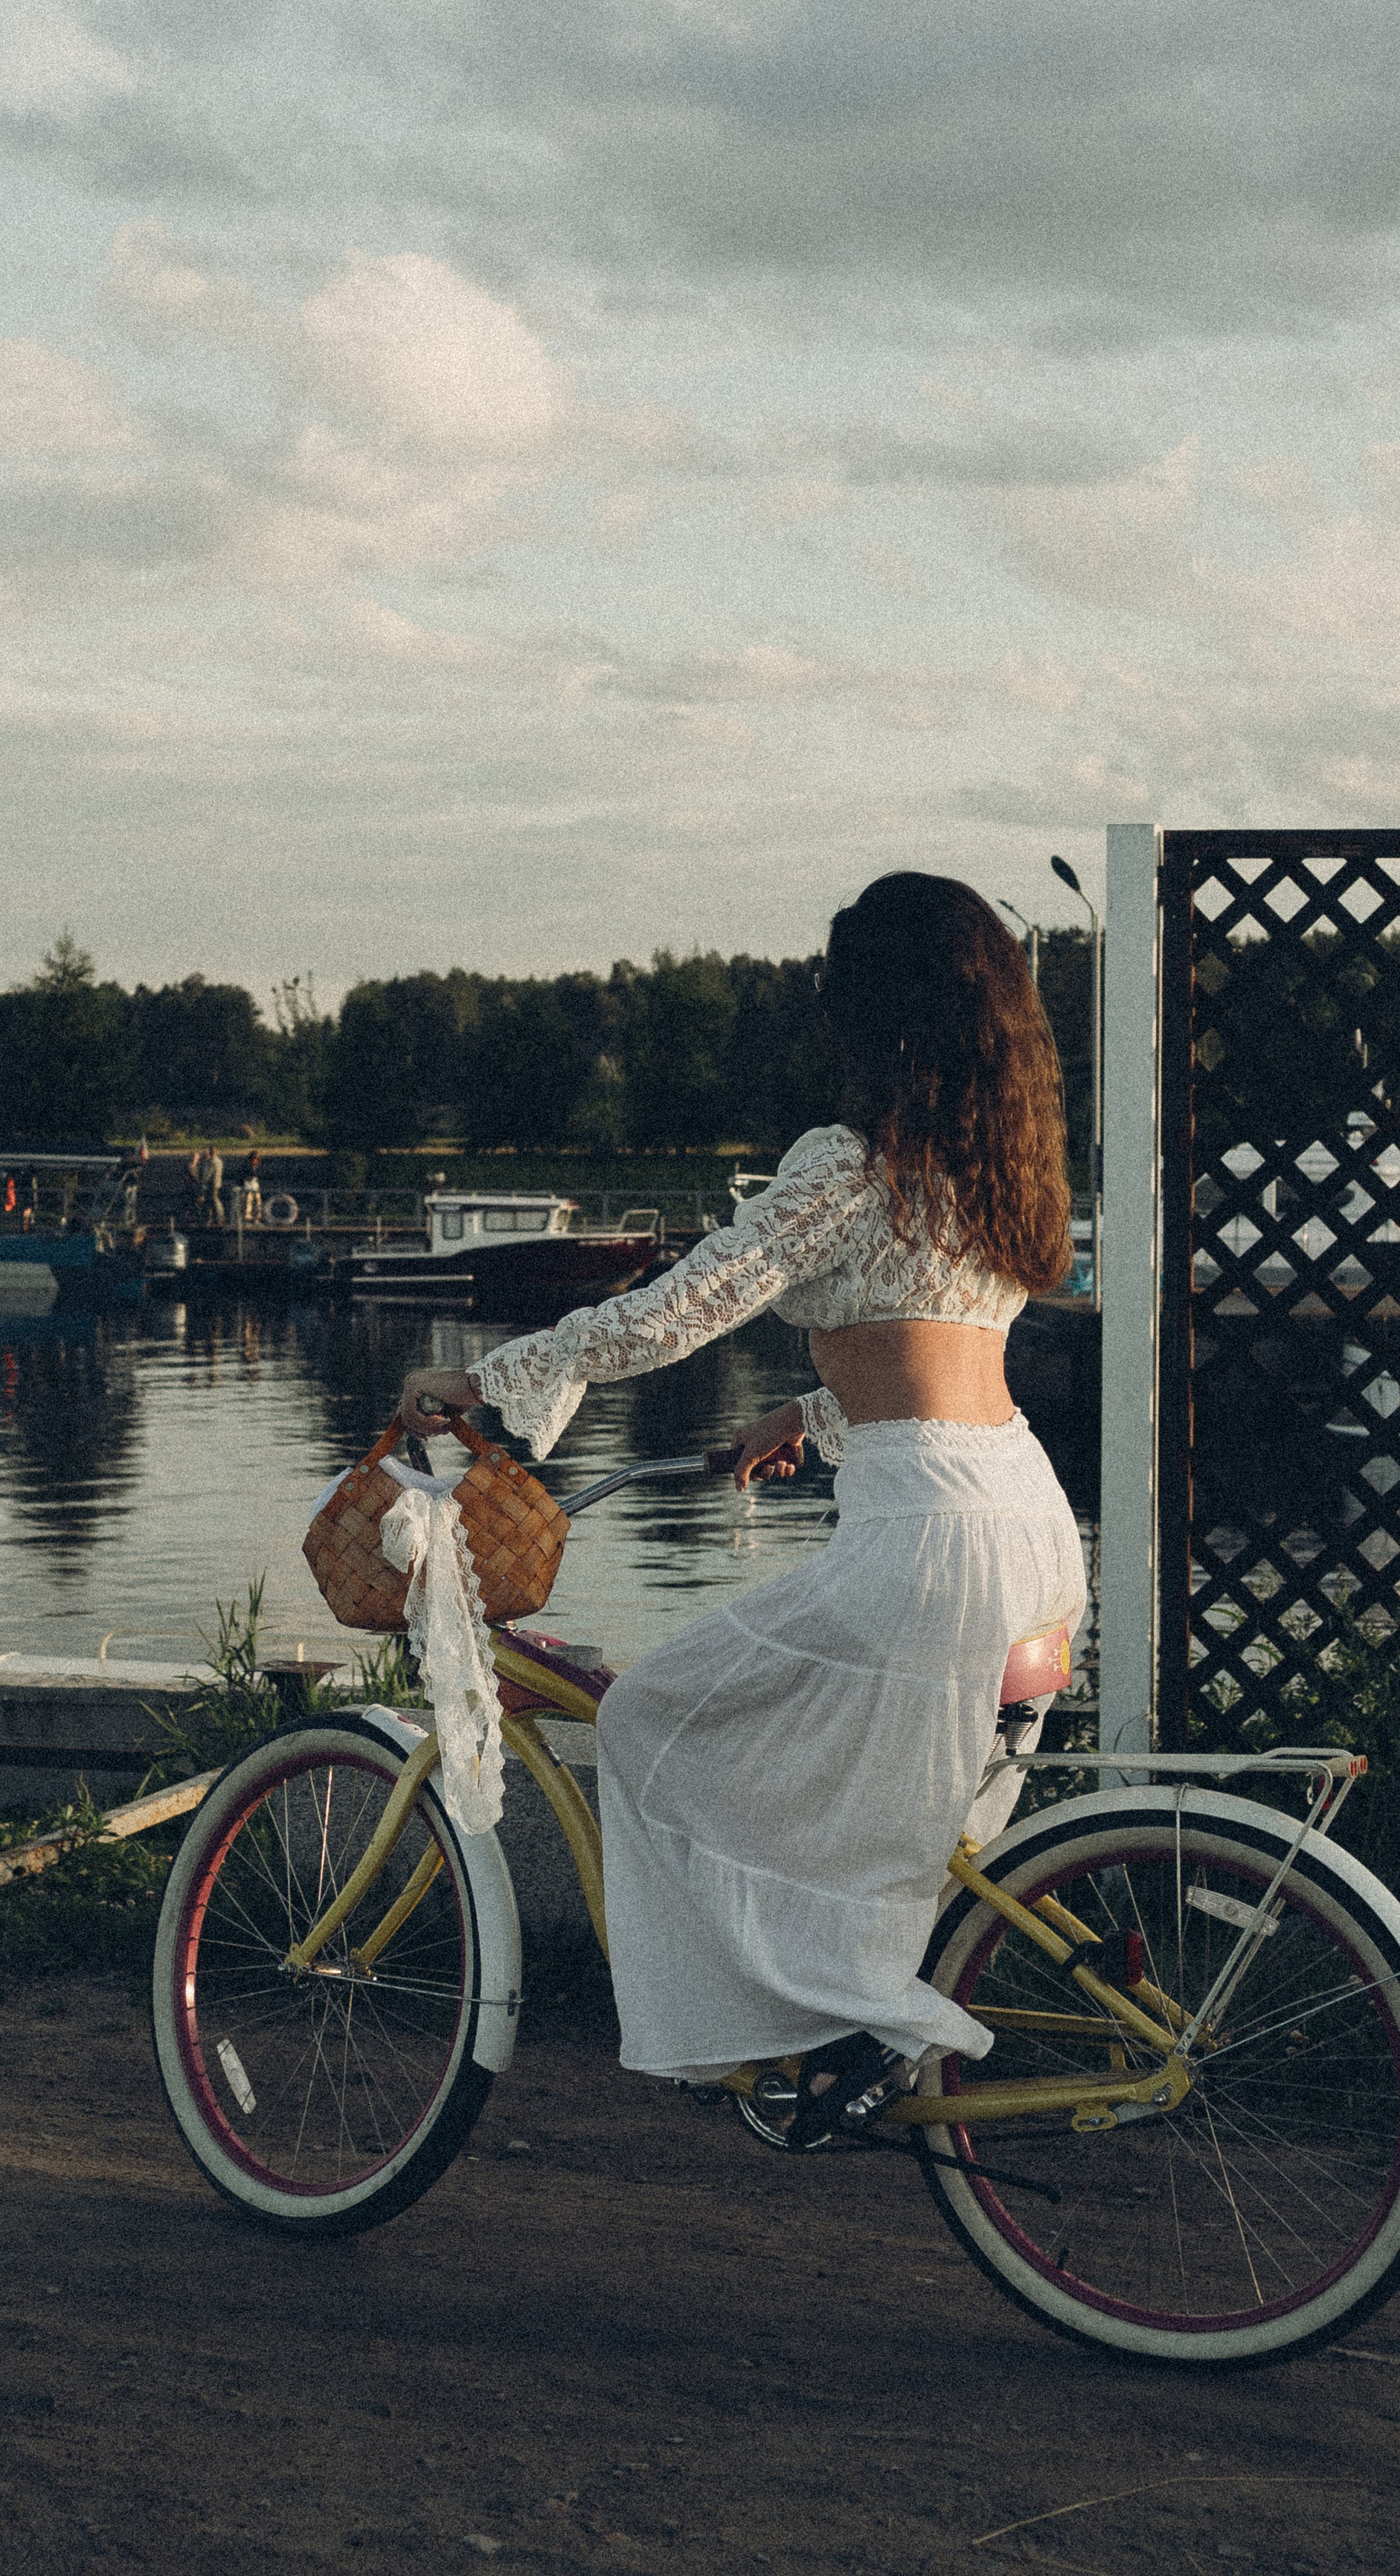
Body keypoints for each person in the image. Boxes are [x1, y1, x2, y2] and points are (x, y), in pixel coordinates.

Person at [397, 872, 1085, 2151]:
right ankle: (847, 2035)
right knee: (863, 1808)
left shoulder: (849, 1167)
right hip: (1029, 1527)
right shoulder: (998, 1179)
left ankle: (832, 2024)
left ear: (872, 1012)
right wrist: (813, 1417)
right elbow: (942, 1361)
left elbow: (678, 1310)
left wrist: (496, 1380)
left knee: (655, 1720)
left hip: (926, 1548)